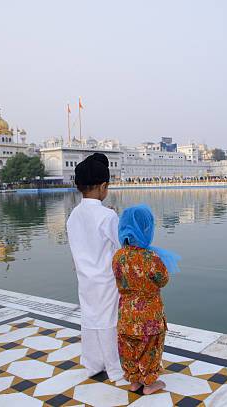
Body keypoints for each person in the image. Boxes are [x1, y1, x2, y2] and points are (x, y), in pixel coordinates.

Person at [66, 153, 123, 381]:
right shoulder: (107, 215)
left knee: (90, 319)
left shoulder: (73, 215)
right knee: (109, 322)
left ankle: (92, 364)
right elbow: (120, 247)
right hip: (106, 279)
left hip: (85, 278)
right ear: (103, 186)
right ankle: (116, 369)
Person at [113, 204, 180, 395]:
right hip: (149, 317)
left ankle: (134, 381)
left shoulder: (118, 256)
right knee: (150, 348)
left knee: (129, 348)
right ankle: (149, 384)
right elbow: (163, 280)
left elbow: (118, 277)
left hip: (126, 315)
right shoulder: (151, 257)